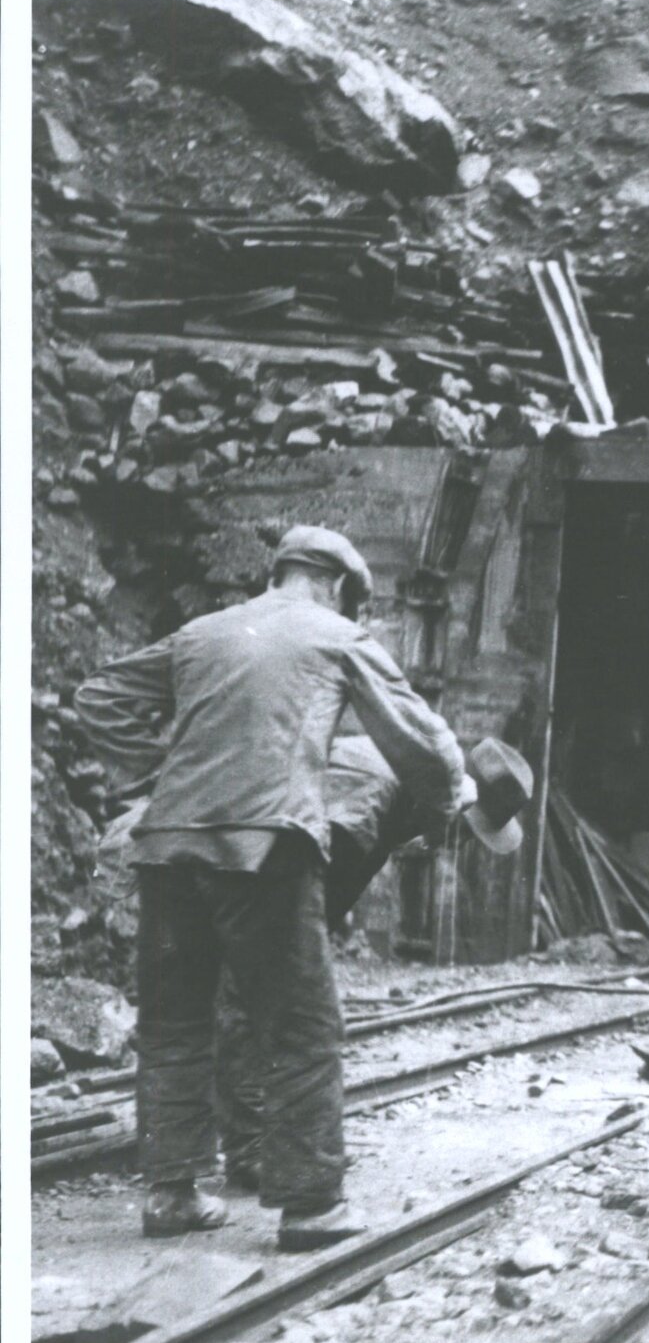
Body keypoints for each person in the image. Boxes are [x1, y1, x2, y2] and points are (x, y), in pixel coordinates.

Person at [73, 526, 465, 1250]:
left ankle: (172, 1193)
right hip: (266, 850)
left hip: (166, 849)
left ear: (282, 571)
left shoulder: (201, 632)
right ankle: (310, 1203)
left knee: (175, 1022)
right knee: (299, 1023)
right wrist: (440, 815)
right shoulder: (336, 637)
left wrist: (159, 778)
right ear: (341, 586)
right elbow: (425, 743)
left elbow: (98, 698)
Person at [212, 733, 535, 1193]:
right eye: (464, 832)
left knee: (283, 1005)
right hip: (244, 852)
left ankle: (269, 1138)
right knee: (260, 1002)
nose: (457, 846)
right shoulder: (373, 794)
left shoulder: (407, 786)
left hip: (263, 853)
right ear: (453, 805)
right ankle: (247, 1152)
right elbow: (308, 868)